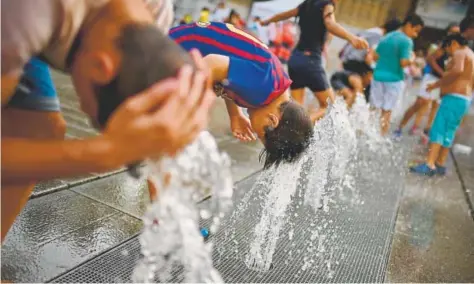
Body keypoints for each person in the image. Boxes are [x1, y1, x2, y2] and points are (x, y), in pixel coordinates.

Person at [1, 0, 215, 242]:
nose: (81, 106)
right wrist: (104, 153)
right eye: (91, 112)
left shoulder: (154, 15)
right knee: (33, 131)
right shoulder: (24, 16)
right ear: (100, 67)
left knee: (42, 130)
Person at [169, 21, 314, 169]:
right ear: (272, 120)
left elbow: (226, 74)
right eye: (260, 136)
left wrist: (235, 114)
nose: (256, 132)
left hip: (180, 44)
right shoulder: (263, 87)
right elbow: (211, 63)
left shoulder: (275, 84)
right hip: (174, 49)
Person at [261, 0, 368, 122]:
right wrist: (351, 38)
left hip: (295, 59)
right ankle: (304, 128)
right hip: (310, 61)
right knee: (331, 107)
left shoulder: (307, 3)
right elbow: (329, 23)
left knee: (297, 109)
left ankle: (290, 131)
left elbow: (284, 15)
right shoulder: (327, 5)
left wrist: (267, 21)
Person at [410, 34, 473, 176]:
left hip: (453, 98)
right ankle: (439, 164)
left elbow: (457, 71)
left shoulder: (460, 52)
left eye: (447, 48)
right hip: (464, 99)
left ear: (454, 43)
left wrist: (437, 84)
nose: (448, 53)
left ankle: (429, 164)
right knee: (449, 131)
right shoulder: (472, 55)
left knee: (438, 129)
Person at [394, 23, 460, 139]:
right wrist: (442, 72)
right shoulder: (444, 45)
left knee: (435, 107)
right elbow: (430, 59)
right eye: (452, 32)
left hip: (444, 82)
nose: (454, 34)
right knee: (420, 103)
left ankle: (426, 131)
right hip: (432, 78)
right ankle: (400, 127)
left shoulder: (460, 48)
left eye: (456, 33)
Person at [370, 14, 424, 135]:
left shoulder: (387, 36)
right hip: (394, 79)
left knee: (374, 108)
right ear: (409, 25)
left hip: (378, 76)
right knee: (387, 110)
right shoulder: (407, 41)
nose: (416, 35)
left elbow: (375, 56)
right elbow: (403, 63)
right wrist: (412, 58)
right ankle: (380, 138)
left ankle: (368, 133)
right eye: (415, 31)